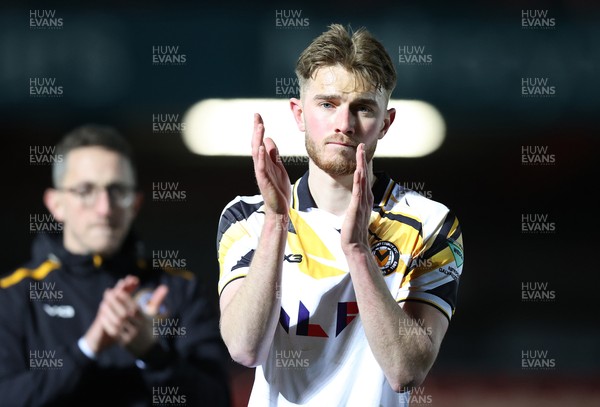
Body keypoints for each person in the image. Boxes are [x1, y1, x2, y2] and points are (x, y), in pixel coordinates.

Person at [217, 23, 464, 406]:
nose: (344, 124)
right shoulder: (247, 218)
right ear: (299, 114)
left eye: (363, 108)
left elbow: (406, 371)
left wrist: (358, 250)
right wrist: (277, 222)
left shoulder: (431, 224)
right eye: (327, 104)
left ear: (386, 122)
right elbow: (244, 348)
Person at [0, 124, 231, 406]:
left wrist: (152, 354)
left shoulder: (180, 289)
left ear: (135, 204)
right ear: (56, 204)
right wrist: (87, 348)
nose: (105, 208)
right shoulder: (13, 296)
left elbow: (217, 400)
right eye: (86, 190)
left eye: (117, 190)